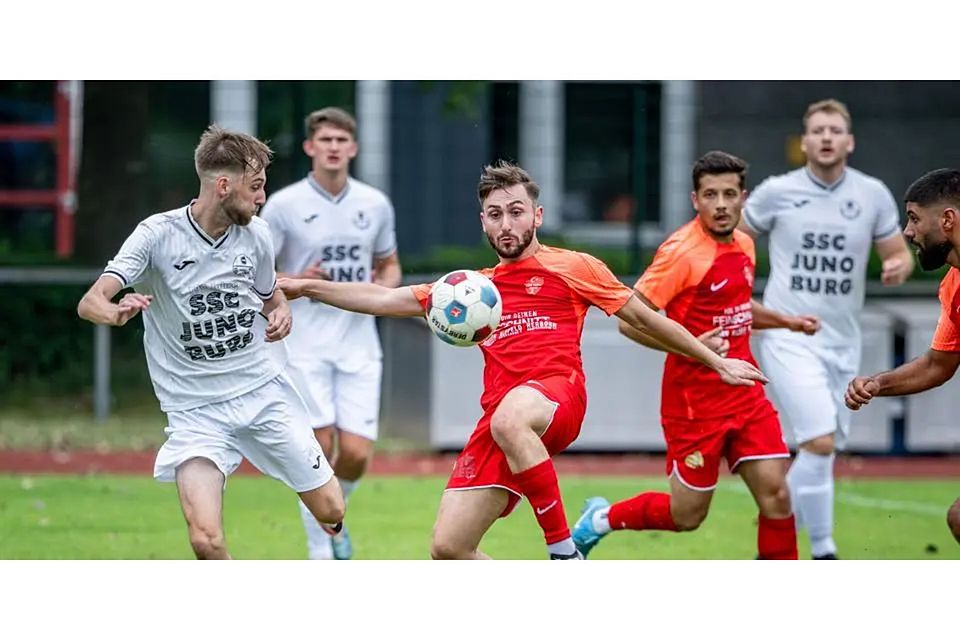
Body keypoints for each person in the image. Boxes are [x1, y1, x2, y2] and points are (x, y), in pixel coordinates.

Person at [278, 160, 768, 560]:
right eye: (495, 214)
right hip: (500, 420)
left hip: (557, 396)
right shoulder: (470, 288)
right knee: (449, 548)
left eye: (516, 212)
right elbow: (382, 298)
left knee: (511, 418)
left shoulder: (574, 266)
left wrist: (714, 361)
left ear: (537, 215)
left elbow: (644, 317)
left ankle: (563, 552)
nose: (506, 223)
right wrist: (304, 287)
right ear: (483, 222)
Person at [76, 125, 344, 560]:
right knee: (205, 540)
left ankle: (327, 514)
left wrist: (281, 309)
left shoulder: (257, 235)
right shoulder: (156, 235)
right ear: (223, 186)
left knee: (332, 510)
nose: (262, 198)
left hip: (264, 394)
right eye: (255, 187)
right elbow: (91, 301)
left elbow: (269, 295)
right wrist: (114, 312)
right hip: (195, 411)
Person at [572, 151, 817, 560]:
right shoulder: (681, 252)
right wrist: (698, 348)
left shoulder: (744, 243)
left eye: (729, 194)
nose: (720, 204)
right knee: (687, 515)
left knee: (777, 495)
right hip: (693, 403)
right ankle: (601, 519)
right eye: (710, 195)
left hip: (745, 392)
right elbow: (630, 323)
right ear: (695, 199)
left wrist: (787, 321)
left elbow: (737, 304)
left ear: (743, 198)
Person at [739, 99, 915, 559]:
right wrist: (732, 289)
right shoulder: (777, 192)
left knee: (826, 447)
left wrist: (897, 265)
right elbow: (731, 241)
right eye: (817, 130)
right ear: (805, 141)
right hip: (789, 334)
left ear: (849, 141)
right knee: (817, 440)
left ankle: (779, 537)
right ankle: (822, 551)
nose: (826, 137)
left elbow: (898, 252)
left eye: (834, 130)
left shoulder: (872, 194)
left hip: (843, 339)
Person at [260, 107, 401, 561]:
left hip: (360, 344)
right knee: (317, 448)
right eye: (325, 140)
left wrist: (383, 291)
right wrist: (300, 279)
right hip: (304, 346)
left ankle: (334, 515)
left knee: (355, 454)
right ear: (310, 147)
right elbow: (257, 273)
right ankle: (322, 548)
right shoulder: (284, 206)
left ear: (353, 148)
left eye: (341, 140)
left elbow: (389, 265)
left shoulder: (374, 204)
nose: (334, 147)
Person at [845, 167, 960, 545]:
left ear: (947, 220)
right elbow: (937, 365)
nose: (907, 232)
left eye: (913, 218)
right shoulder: (953, 284)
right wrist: (878, 383)